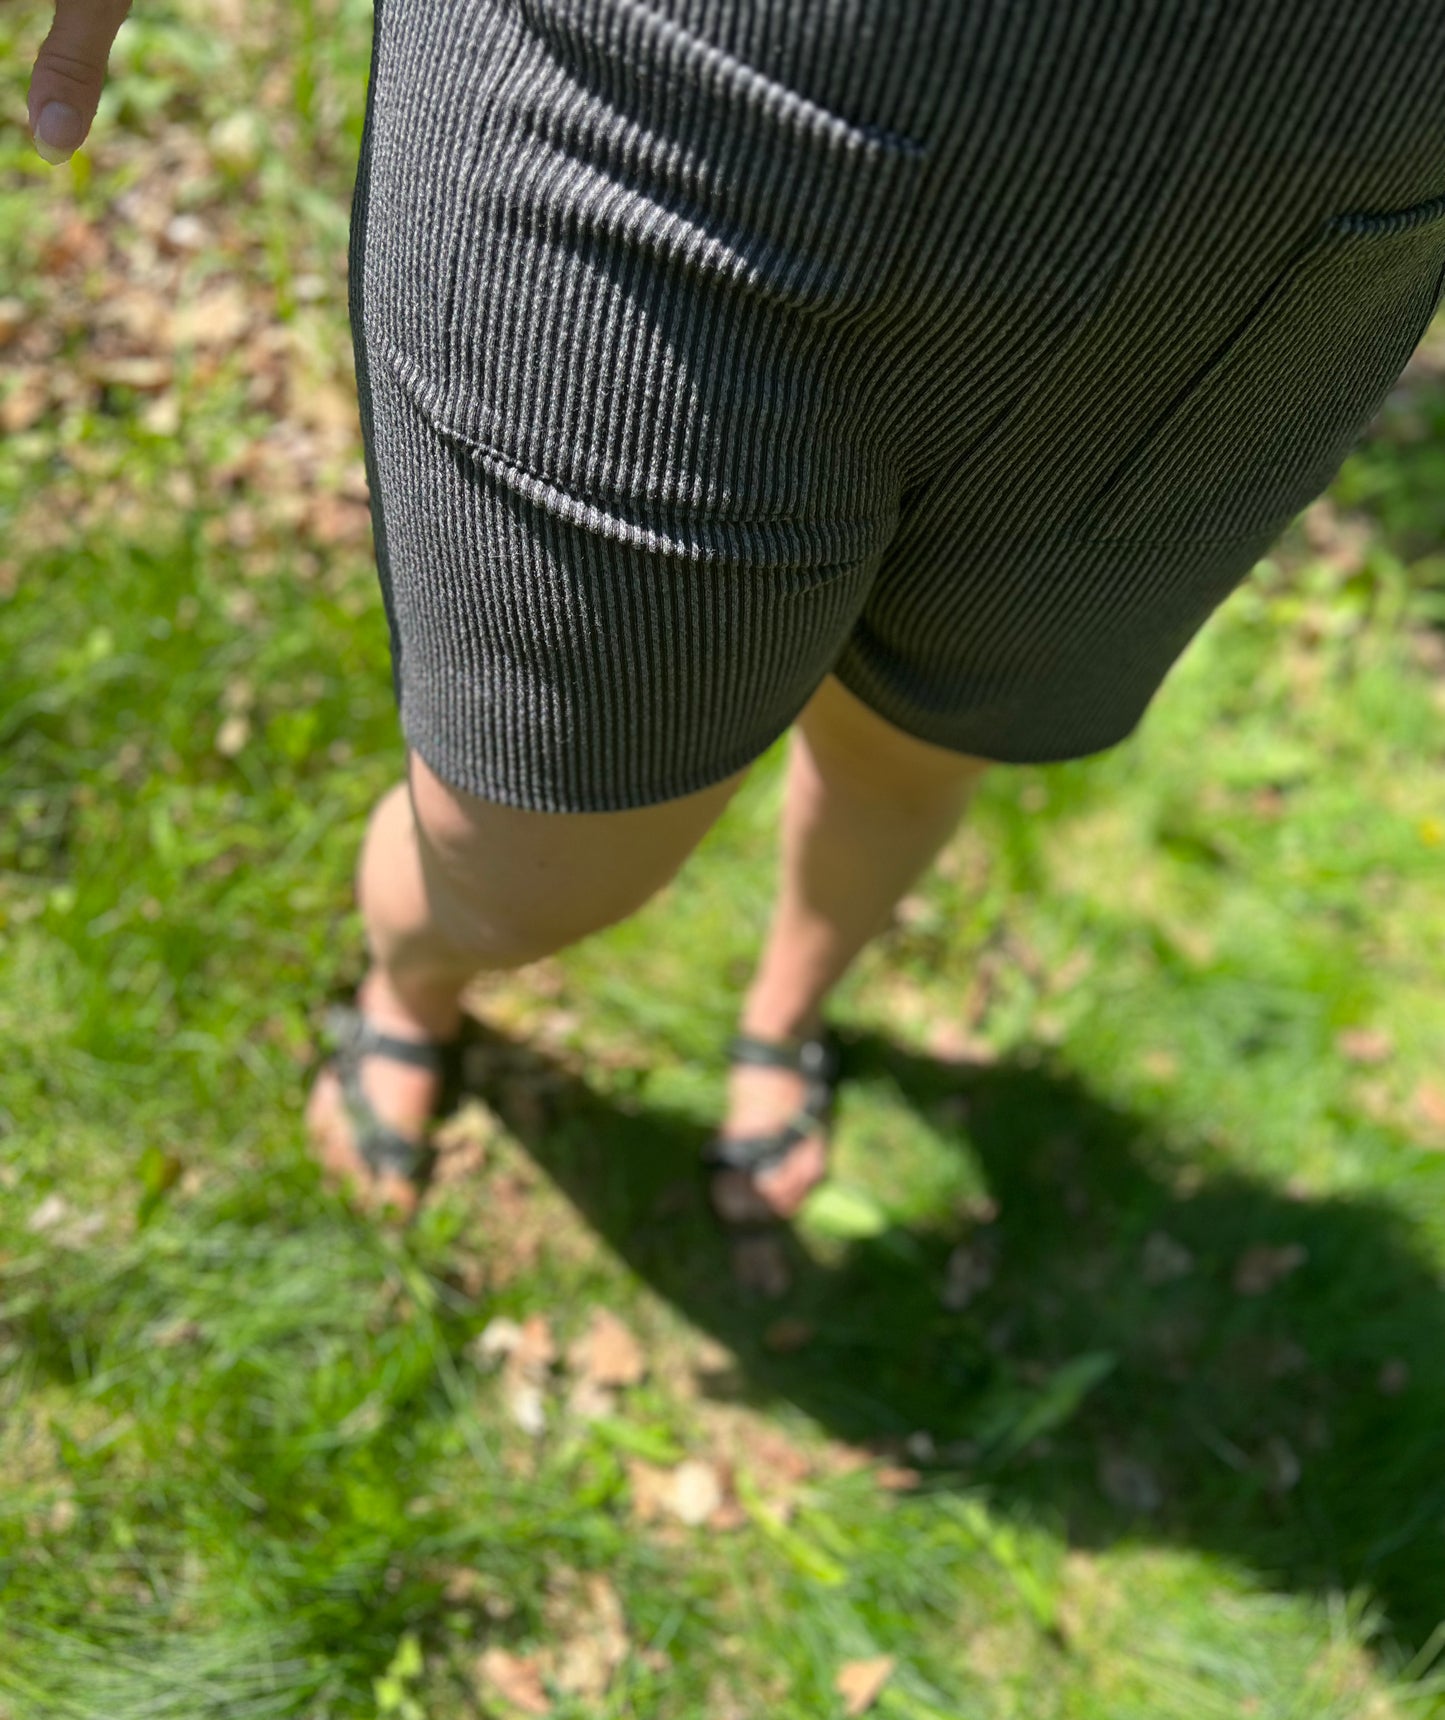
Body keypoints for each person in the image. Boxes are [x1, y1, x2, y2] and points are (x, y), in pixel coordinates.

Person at [24, 1, 1445, 1224]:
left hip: (1275, 259)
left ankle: (786, 1016)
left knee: (917, 745)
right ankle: (420, 981)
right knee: (522, 863)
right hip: (676, 122)